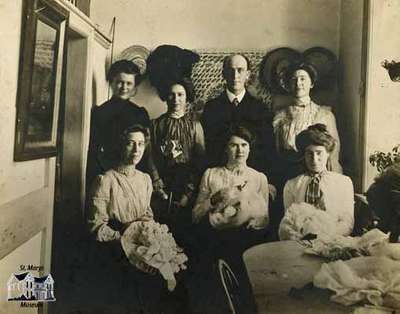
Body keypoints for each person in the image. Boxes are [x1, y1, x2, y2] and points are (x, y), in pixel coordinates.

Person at [189, 126, 269, 314]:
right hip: (215, 238)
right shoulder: (211, 174)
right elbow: (195, 215)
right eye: (233, 145)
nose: (239, 150)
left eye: (244, 145)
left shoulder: (258, 178)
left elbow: (265, 218)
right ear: (226, 148)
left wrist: (253, 222)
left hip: (244, 239)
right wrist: (214, 199)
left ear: (250, 148)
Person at [87, 125, 166, 313]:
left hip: (142, 245)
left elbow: (147, 216)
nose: (136, 150)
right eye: (130, 143)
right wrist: (125, 238)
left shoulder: (146, 179)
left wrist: (150, 237)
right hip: (115, 248)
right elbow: (95, 226)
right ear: (121, 145)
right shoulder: (106, 180)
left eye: (140, 144)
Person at [201, 54, 276, 179]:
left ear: (247, 74)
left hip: (252, 176)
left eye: (240, 70)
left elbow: (267, 148)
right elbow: (207, 148)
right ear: (223, 74)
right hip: (220, 175)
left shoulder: (260, 109)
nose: (235, 76)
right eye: (231, 70)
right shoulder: (212, 108)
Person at [150, 77, 205, 243]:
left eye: (180, 95)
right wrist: (157, 183)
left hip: (187, 185)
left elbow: (199, 161)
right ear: (165, 97)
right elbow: (150, 156)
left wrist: (189, 192)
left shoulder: (195, 126)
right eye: (171, 95)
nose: (176, 100)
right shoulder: (155, 125)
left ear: (187, 97)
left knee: (185, 235)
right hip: (162, 186)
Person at [86, 60, 154, 188]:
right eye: (119, 82)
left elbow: (146, 151)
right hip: (107, 173)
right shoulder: (100, 113)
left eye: (129, 83)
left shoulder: (140, 114)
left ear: (134, 86)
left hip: (134, 174)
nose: (124, 87)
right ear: (111, 82)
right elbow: (93, 150)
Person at [273, 62, 342, 185]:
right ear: (288, 85)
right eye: (294, 79)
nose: (298, 83)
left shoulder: (325, 115)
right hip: (288, 175)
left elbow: (333, 153)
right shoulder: (280, 116)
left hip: (318, 176)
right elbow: (277, 151)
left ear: (312, 83)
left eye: (303, 79)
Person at [281, 124, 354, 239]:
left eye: (319, 153)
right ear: (303, 155)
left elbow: (347, 222)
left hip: (333, 240)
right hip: (300, 242)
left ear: (328, 153)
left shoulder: (343, 183)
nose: (314, 159)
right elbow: (288, 222)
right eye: (309, 153)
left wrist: (326, 237)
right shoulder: (292, 185)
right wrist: (299, 239)